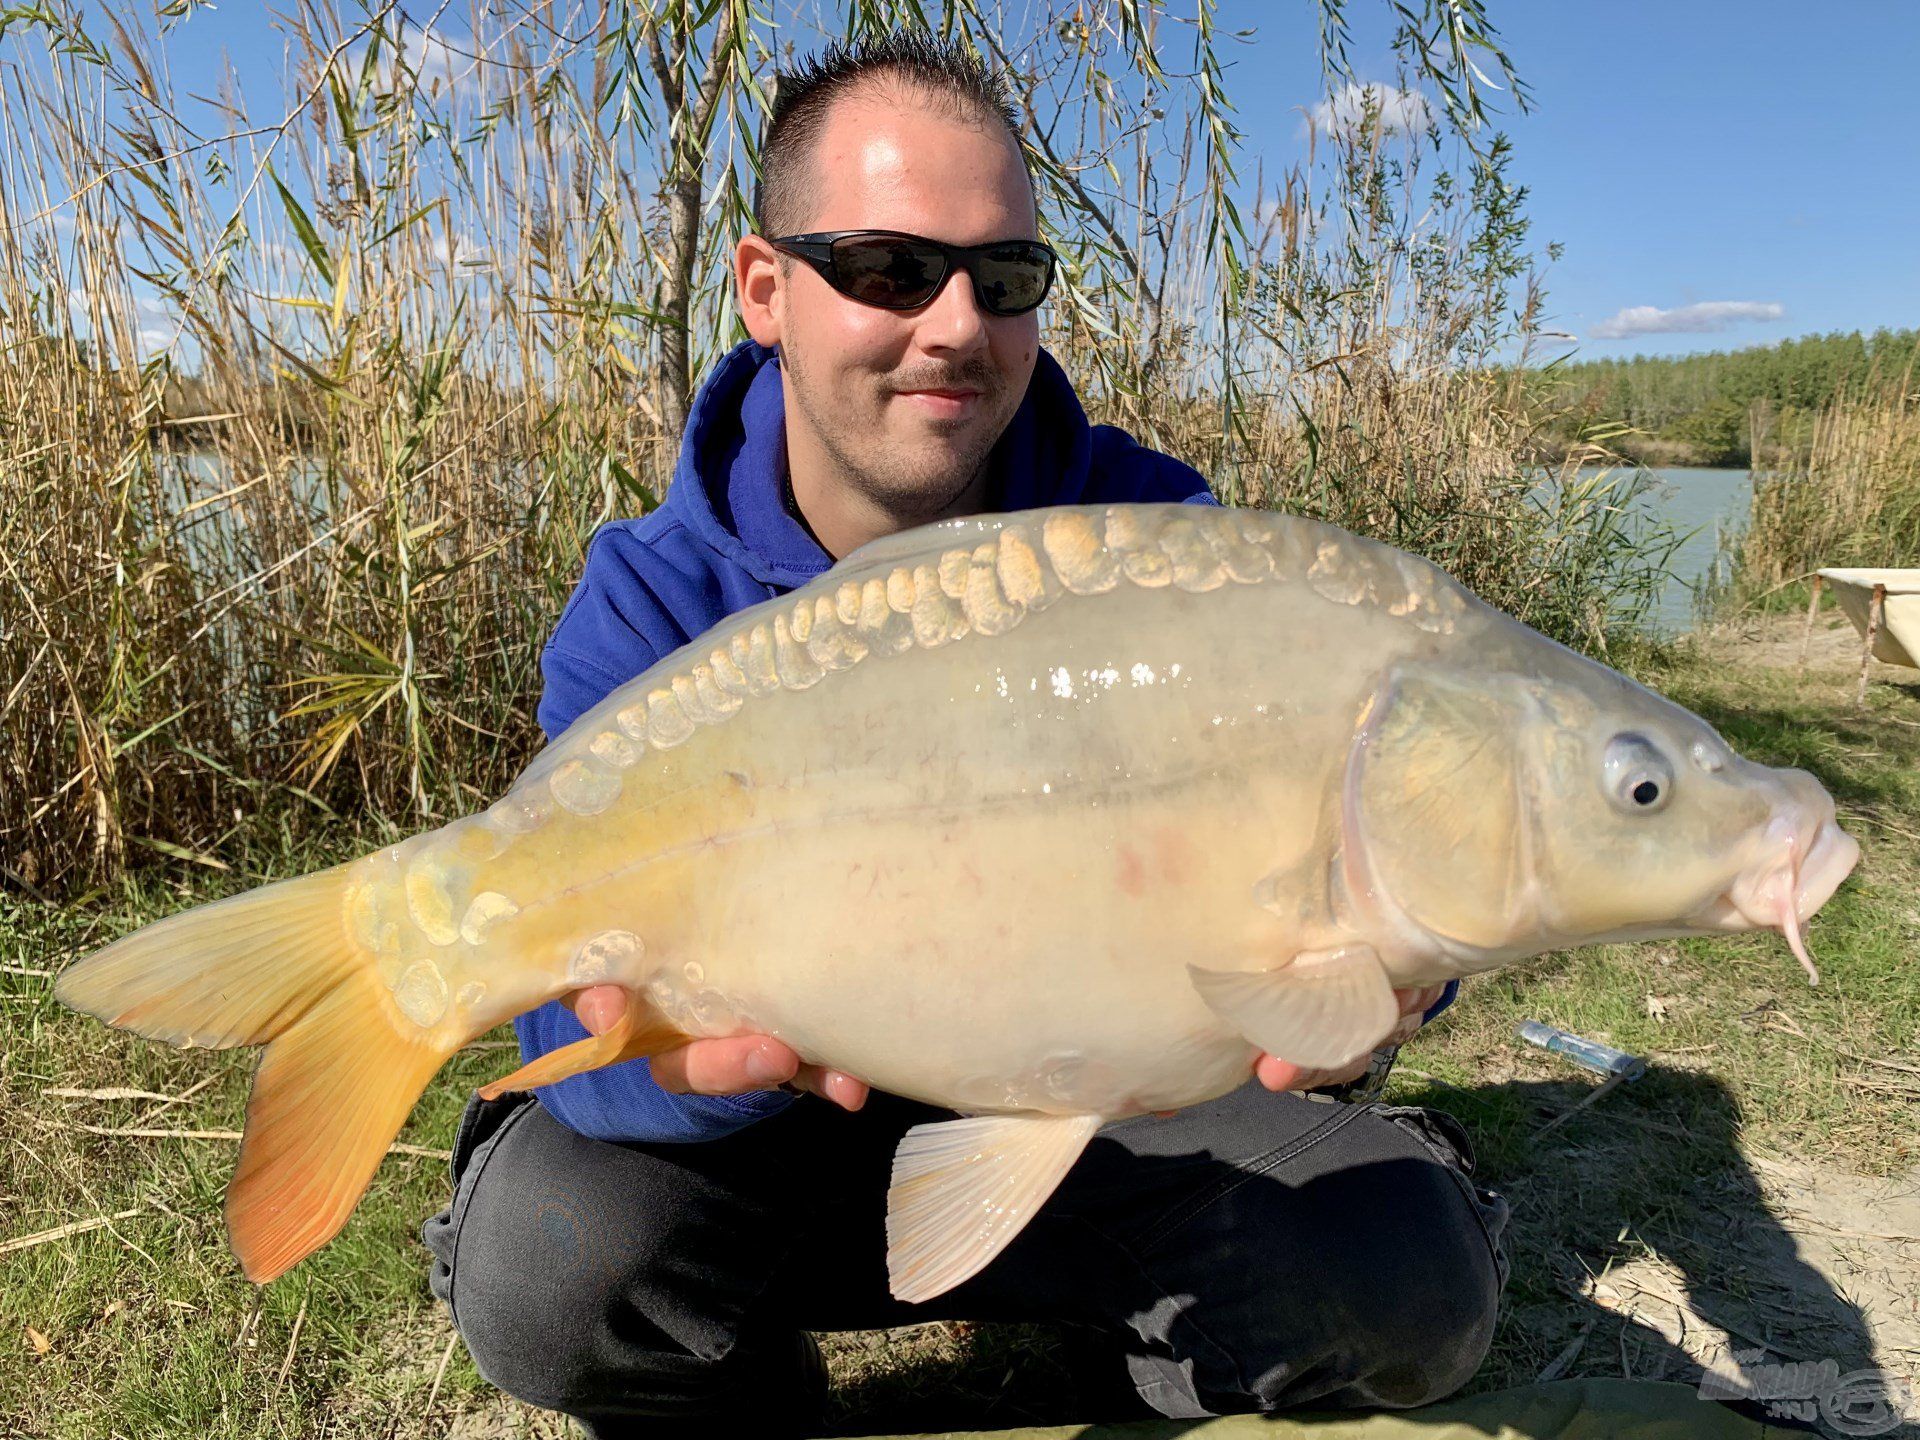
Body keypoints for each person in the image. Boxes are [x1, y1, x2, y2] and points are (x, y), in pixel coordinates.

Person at [424, 32, 1507, 1438]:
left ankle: (1138, 1364)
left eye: (1003, 280)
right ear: (766, 288)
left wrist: (1390, 982)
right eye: (888, 268)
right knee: (541, 1272)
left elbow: (1370, 835)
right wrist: (677, 1070)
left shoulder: (1165, 553)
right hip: (780, 1143)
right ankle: (746, 1392)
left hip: (1108, 1109)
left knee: (1402, 1279)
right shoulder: (650, 601)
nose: (955, 325)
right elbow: (554, 1012)